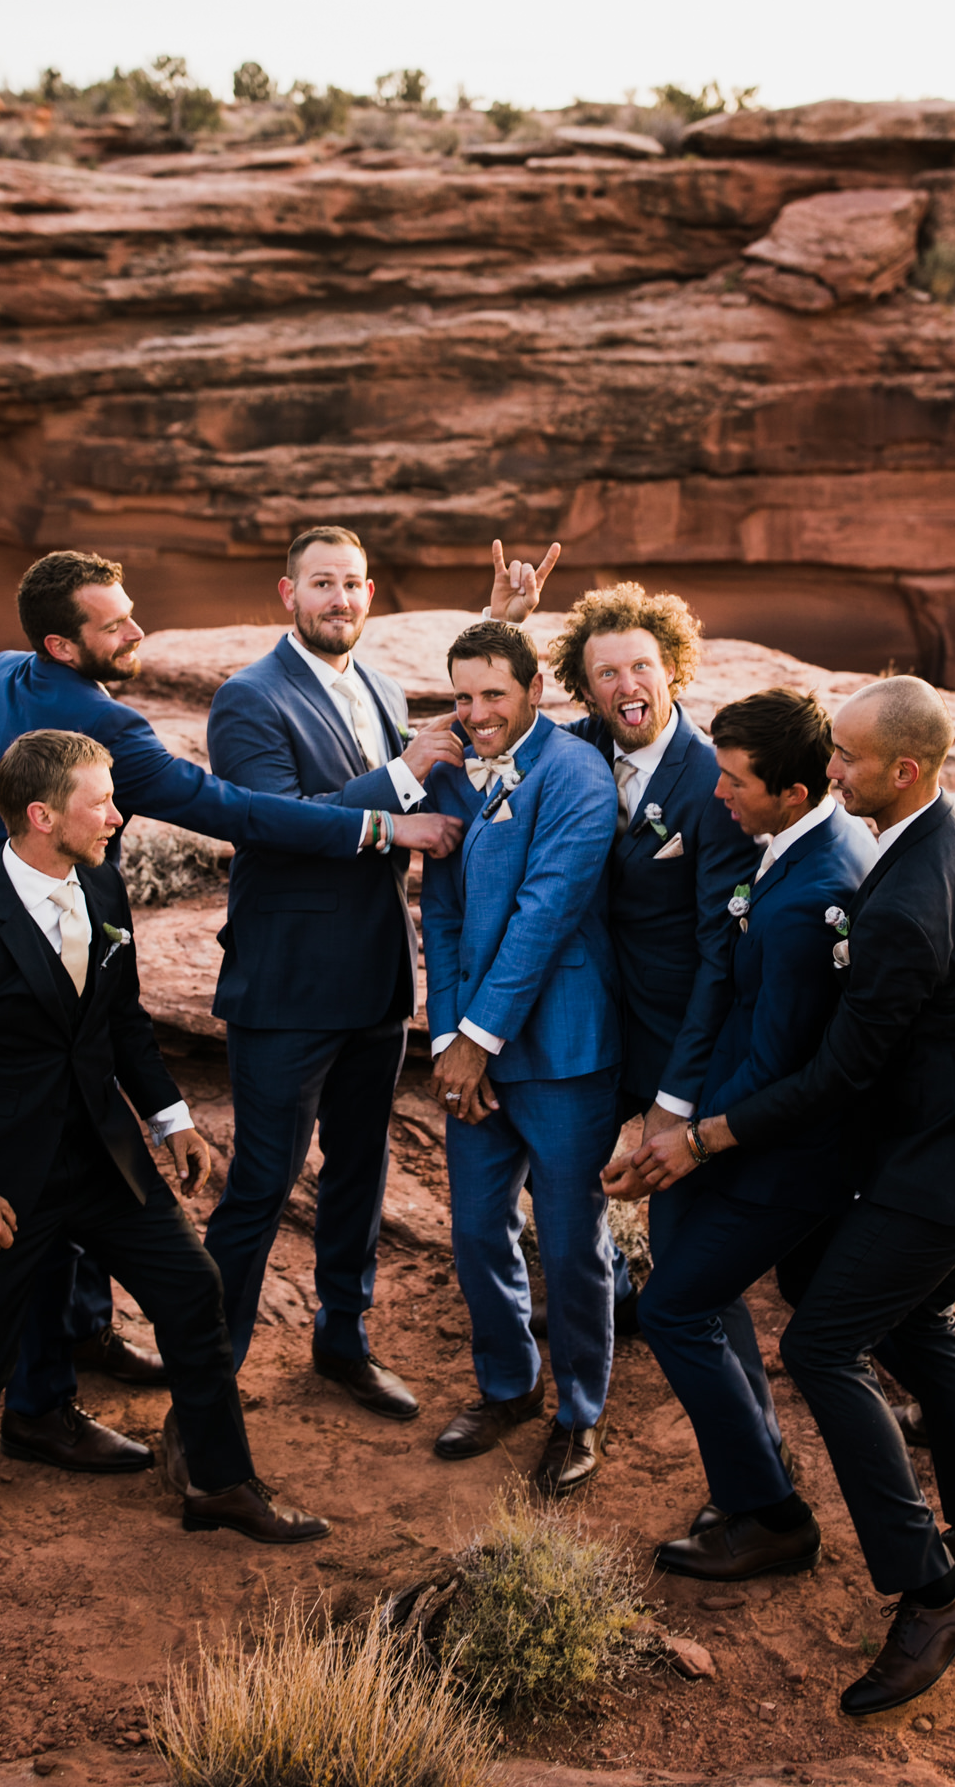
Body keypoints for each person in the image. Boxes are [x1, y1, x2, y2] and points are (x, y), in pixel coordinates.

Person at [0, 548, 455, 1467]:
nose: (137, 632)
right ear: (62, 642)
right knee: (38, 1163)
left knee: (87, 1141)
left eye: (132, 612)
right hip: (25, 970)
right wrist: (381, 823)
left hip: (58, 934)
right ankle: (35, 1407)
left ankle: (86, 1335)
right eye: (115, 624)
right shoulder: (110, 726)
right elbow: (234, 812)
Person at [650, 676, 955, 1718]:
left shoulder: (898, 906)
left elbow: (839, 1074)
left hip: (945, 1166)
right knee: (914, 1317)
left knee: (821, 1345)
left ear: (905, 769)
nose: (830, 771)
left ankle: (933, 1590)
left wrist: (702, 1135)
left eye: (845, 758)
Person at [0, 731, 331, 1556]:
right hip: (0, 1185)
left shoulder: (105, 888)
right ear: (44, 815)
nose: (119, 815)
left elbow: (119, 1023)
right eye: (102, 801)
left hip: (104, 1160)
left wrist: (170, 1118)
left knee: (195, 1297)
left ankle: (218, 1484)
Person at [603, 688, 876, 1578]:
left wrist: (688, 1140)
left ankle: (770, 1516)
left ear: (794, 793)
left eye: (734, 782)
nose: (717, 795)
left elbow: (777, 1063)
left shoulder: (812, 896)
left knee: (675, 1308)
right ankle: (754, 1461)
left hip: (781, 1152)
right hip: (726, 1118)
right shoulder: (787, 845)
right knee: (687, 1268)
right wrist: (672, 1112)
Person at [203, 527, 464, 1416]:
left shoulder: (383, 685)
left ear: (371, 592)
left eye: (352, 584)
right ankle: (212, 1373)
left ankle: (342, 1341)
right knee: (261, 1188)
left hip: (376, 982)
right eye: (322, 584)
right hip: (285, 990)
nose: (340, 600)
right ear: (288, 594)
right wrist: (398, 790)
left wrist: (500, 625)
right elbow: (273, 822)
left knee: (361, 1171)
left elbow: (433, 767)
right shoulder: (248, 699)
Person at [489, 554, 762, 1330]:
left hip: (679, 1023)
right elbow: (482, 724)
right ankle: (607, 1293)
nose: (625, 686)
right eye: (605, 673)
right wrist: (506, 623)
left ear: (671, 668)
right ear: (585, 685)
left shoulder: (712, 780)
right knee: (558, 1171)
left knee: (686, 1203)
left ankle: (693, 1320)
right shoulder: (569, 747)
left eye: (640, 666)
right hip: (582, 1015)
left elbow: (721, 950)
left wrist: (676, 1096)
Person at [421, 621, 621, 1495]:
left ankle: (580, 1412)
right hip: (471, 1046)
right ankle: (507, 1385)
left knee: (574, 1242)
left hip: (564, 1048)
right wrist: (445, 1034)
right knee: (473, 1232)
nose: (476, 713)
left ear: (535, 686)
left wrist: (475, 1041)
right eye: (462, 698)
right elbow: (441, 913)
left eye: (493, 695)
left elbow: (544, 910)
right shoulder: (452, 770)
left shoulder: (576, 772)